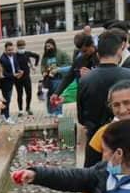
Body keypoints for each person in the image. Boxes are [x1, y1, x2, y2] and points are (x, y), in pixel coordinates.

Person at [78, 30, 130, 168]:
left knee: (94, 179)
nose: (122, 109)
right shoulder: (128, 75)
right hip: (124, 141)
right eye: (116, 105)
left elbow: (81, 117)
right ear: (119, 51)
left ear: (97, 54)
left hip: (94, 141)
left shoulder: (85, 80)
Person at [51, 34, 98, 105]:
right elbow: (68, 77)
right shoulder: (79, 60)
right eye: (81, 51)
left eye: (85, 51)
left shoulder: (102, 56)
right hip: (84, 99)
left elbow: (107, 76)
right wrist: (57, 93)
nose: (83, 53)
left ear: (92, 44)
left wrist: (92, 74)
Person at [40, 38, 71, 116]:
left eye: (50, 46)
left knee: (57, 95)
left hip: (58, 78)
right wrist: (43, 72)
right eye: (46, 46)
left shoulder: (61, 53)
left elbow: (69, 63)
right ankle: (50, 111)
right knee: (49, 95)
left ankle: (58, 112)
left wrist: (58, 69)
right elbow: (42, 65)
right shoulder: (45, 56)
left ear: (54, 45)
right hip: (48, 79)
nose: (48, 48)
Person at [15, 39, 40, 116]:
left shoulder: (27, 53)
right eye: (20, 47)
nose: (21, 49)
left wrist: (35, 65)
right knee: (19, 94)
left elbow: (37, 56)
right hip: (18, 78)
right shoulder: (14, 55)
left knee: (29, 93)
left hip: (26, 77)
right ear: (17, 47)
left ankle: (28, 107)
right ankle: (20, 110)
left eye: (22, 47)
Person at [0, 41, 22, 124]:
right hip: (5, 82)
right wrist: (13, 75)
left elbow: (16, 65)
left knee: (6, 99)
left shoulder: (14, 55)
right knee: (7, 99)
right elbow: (3, 73)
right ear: (5, 50)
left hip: (13, 79)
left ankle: (2, 114)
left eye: (12, 50)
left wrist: (19, 70)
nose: (11, 52)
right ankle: (7, 117)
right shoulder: (2, 59)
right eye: (9, 50)